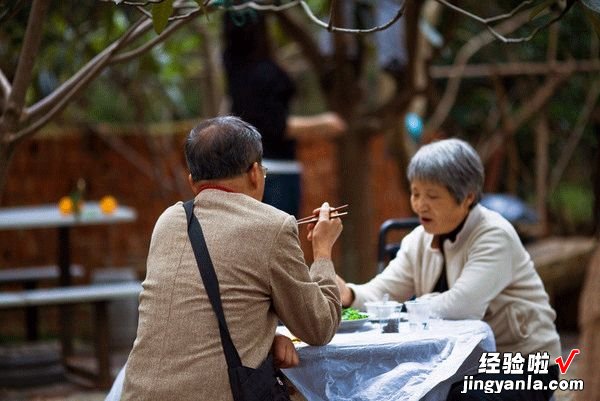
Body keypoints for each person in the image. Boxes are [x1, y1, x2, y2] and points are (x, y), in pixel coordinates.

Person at [120, 116, 343, 400]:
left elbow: (194, 316)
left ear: (192, 182)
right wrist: (322, 251)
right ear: (254, 173)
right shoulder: (272, 226)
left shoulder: (168, 221)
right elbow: (318, 327)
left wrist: (263, 338)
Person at [336, 138, 561, 401]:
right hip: (458, 359)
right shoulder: (419, 238)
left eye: (432, 196)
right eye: (415, 193)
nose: (419, 204)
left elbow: (461, 307)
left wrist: (404, 308)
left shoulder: (494, 235)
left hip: (522, 362)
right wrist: (349, 294)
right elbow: (385, 290)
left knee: (464, 396)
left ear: (467, 198)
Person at [223, 10, 345, 217]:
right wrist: (325, 123)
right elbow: (276, 126)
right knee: (280, 241)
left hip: (249, 168)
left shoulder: (234, 66)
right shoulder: (264, 73)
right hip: (277, 170)